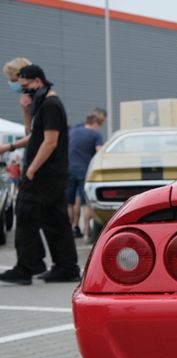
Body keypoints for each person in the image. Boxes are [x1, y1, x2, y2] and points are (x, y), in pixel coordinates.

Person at [0, 65, 80, 285]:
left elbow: (50, 141)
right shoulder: (42, 104)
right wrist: (26, 111)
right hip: (50, 174)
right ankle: (66, 266)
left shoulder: (51, 105)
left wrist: (32, 169)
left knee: (25, 213)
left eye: (25, 87)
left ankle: (27, 267)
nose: (24, 91)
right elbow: (32, 134)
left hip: (45, 174)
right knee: (55, 219)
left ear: (37, 81)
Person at [67, 112, 103, 240]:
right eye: (99, 125)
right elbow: (100, 153)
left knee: (69, 203)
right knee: (85, 203)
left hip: (68, 169)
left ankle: (69, 232)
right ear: (95, 123)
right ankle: (86, 233)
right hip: (85, 171)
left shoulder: (72, 132)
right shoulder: (96, 134)